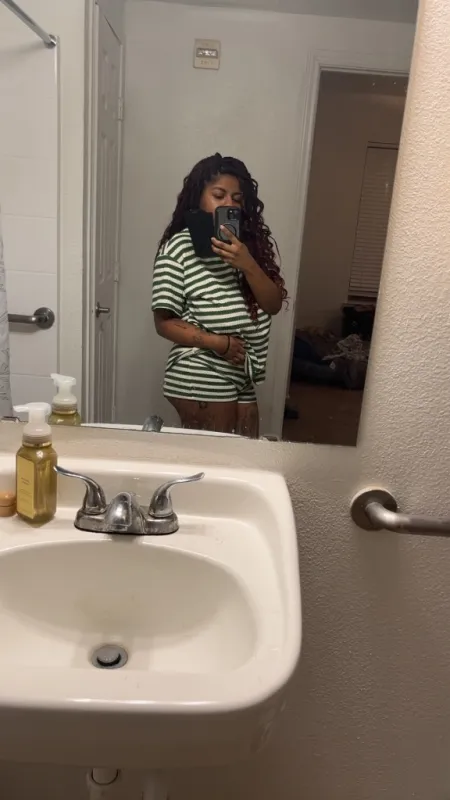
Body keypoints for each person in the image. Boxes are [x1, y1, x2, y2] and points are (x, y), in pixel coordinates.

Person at [152, 153, 286, 437]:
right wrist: (219, 343)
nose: (229, 204)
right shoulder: (179, 247)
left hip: (242, 371)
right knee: (212, 458)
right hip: (201, 367)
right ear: (198, 199)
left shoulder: (250, 247)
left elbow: (273, 305)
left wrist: (247, 263)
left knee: (243, 454)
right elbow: (163, 322)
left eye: (237, 199)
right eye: (218, 195)